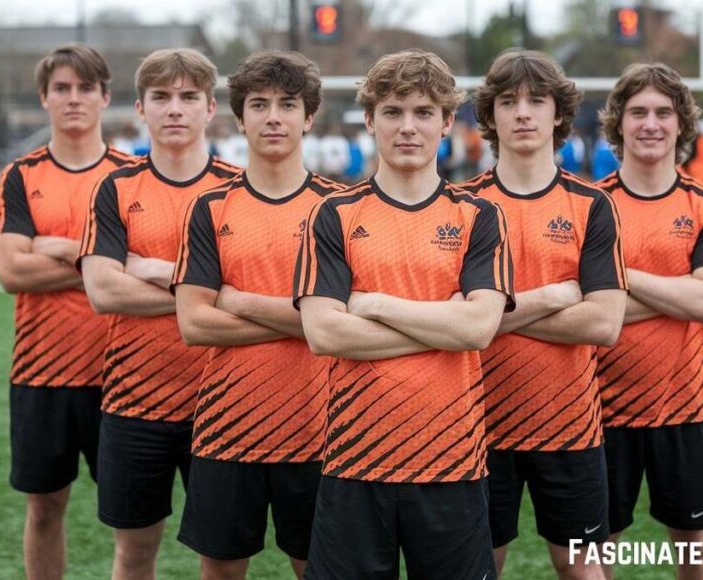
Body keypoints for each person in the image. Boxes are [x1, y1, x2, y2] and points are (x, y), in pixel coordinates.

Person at [294, 49, 514, 579]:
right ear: (370, 120)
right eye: (393, 112)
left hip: (451, 463)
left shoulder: (480, 216)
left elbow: (479, 328)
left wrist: (373, 305)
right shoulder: (333, 214)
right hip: (354, 463)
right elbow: (324, 332)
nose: (407, 126)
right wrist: (444, 325)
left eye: (423, 112)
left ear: (446, 123)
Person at [171, 50, 342, 580]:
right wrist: (303, 316)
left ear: (308, 116)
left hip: (323, 432)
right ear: (239, 117)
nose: (273, 116)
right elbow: (194, 323)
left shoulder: (340, 208)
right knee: (220, 572)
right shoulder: (210, 207)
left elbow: (341, 324)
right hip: (227, 430)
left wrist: (239, 300)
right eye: (259, 104)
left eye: (288, 104)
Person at [461, 49, 627, 580]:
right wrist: (553, 297)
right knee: (476, 570)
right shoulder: (459, 206)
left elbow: (603, 323)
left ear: (559, 113)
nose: (523, 113)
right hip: (474, 427)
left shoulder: (592, 204)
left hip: (570, 426)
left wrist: (492, 315)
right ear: (491, 116)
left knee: (582, 569)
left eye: (537, 100)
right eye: (508, 102)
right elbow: (451, 324)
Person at [78, 48, 240, 580]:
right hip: (132, 403)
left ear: (210, 107)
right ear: (140, 109)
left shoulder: (238, 189)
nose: (176, 108)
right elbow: (104, 291)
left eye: (189, 97)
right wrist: (200, 291)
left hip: (222, 405)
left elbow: (253, 288)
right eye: (162, 97)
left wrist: (147, 267)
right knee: (133, 552)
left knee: (220, 559)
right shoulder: (116, 187)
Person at [0, 44, 133, 580]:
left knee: (130, 521)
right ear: (44, 98)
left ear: (105, 98)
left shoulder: (129, 176)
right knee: (45, 507)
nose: (74, 99)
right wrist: (96, 261)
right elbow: (12, 274)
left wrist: (53, 246)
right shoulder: (20, 175)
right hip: (41, 375)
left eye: (85, 88)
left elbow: (137, 269)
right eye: (62, 89)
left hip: (122, 376)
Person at [595, 63, 703, 580]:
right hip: (601, 410)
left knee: (694, 545)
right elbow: (588, 311)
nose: (650, 124)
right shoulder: (593, 206)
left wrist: (622, 277)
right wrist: (682, 291)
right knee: (595, 552)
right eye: (638, 112)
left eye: (662, 112)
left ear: (681, 124)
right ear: (619, 123)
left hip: (686, 405)